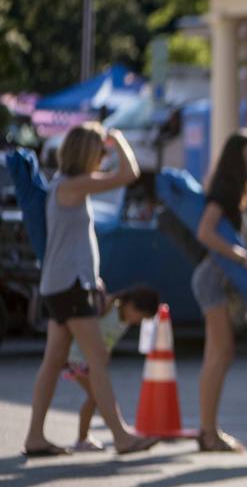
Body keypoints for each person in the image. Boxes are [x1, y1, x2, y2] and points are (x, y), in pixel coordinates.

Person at [22, 124, 158, 456]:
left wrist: (91, 276)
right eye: (100, 152)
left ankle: (35, 436)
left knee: (54, 361)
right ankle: (121, 436)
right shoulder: (74, 184)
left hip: (64, 283)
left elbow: (73, 241)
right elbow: (130, 173)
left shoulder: (65, 187)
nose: (103, 158)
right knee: (97, 358)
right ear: (88, 153)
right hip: (69, 286)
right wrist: (120, 139)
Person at [193, 129, 247, 452]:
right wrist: (241, 257)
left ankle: (209, 429)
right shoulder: (224, 191)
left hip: (216, 278)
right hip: (213, 279)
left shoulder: (232, 190)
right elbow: (205, 232)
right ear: (236, 157)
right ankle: (209, 433)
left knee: (219, 355)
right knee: (220, 354)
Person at [62, 286, 161, 451]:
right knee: (97, 396)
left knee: (94, 398)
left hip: (92, 361)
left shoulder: (125, 320)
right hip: (78, 358)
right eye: (140, 315)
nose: (138, 321)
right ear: (130, 305)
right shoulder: (110, 307)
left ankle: (85, 437)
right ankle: (101, 436)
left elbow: (107, 339)